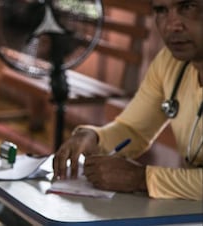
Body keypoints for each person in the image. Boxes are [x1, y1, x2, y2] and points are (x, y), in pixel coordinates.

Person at [53, 0, 202, 201]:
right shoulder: (170, 63)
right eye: (161, 10)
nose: (171, 25)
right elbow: (134, 130)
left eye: (188, 7)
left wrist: (142, 179)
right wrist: (95, 138)